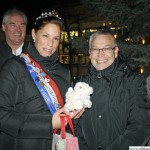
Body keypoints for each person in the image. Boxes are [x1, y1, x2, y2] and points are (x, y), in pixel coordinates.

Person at [0, 10, 81, 150]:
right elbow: (3, 116)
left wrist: (75, 114)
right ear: (33, 34)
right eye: (45, 36)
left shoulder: (63, 71)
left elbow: (68, 113)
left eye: (56, 38)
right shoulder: (14, 67)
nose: (50, 44)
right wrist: (49, 123)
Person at [75, 30, 150, 150]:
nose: (100, 54)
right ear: (90, 53)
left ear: (115, 52)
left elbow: (140, 127)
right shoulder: (80, 84)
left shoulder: (134, 82)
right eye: (95, 49)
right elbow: (74, 126)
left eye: (106, 48)